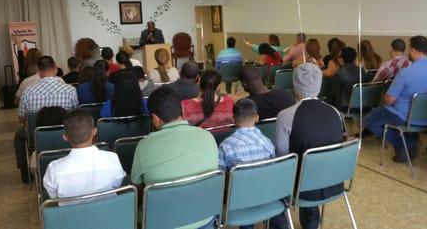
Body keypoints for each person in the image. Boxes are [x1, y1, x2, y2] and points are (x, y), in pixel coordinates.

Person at [131, 86, 218, 229]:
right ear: (182, 110)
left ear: (155, 119)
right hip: (205, 218)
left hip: (165, 223)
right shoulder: (207, 136)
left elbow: (137, 188)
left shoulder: (144, 146)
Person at [276, 63, 344, 229]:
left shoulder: (285, 116)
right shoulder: (335, 112)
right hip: (335, 182)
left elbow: (282, 156)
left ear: (295, 85)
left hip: (303, 189)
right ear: (319, 85)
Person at [364, 36, 427, 162]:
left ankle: (403, 144)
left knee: (370, 120)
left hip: (405, 117)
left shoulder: (406, 72)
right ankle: (409, 142)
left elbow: (388, 100)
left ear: (412, 50)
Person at [218, 98, 287, 229]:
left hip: (239, 202)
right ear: (257, 118)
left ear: (233, 119)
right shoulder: (267, 142)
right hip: (267, 196)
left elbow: (220, 178)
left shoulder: (225, 146)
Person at [15, 56, 79, 182]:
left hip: (36, 136)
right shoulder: (70, 90)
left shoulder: (28, 92)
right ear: (55, 69)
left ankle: (25, 171)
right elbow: (75, 114)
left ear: (39, 71)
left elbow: (22, 118)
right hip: (66, 135)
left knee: (18, 136)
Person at [43, 110, 125, 200]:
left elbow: (54, 197)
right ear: (94, 132)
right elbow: (117, 186)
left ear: (65, 137)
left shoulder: (54, 169)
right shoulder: (112, 159)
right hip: (110, 213)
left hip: (70, 214)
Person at [337, 47, 364, 111]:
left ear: (342, 59)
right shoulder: (362, 71)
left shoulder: (340, 73)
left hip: (345, 107)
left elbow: (336, 94)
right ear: (354, 58)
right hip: (363, 106)